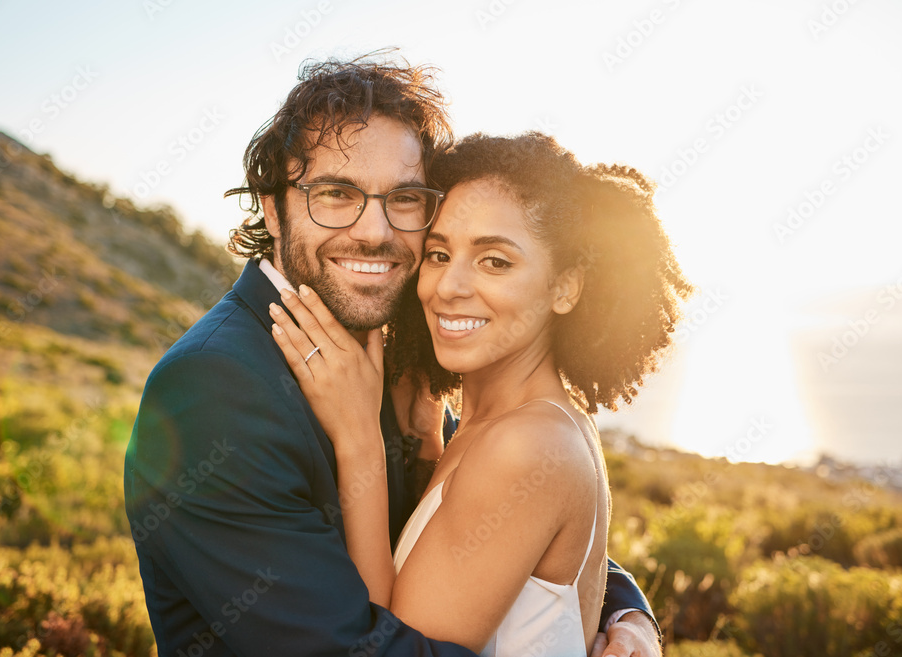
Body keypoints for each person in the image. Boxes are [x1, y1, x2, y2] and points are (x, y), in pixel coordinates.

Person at [124, 53, 662, 656]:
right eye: (335, 193)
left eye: (403, 199)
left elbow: (499, 523)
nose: (375, 232)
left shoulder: (395, 352)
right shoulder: (214, 388)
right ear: (273, 208)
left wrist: (628, 613)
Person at [270, 132, 692, 655]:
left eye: (495, 261)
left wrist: (358, 437)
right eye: (440, 253)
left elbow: (388, 647)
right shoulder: (512, 421)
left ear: (565, 287)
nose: (449, 287)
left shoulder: (525, 445)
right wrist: (427, 444)